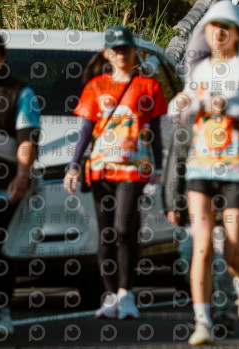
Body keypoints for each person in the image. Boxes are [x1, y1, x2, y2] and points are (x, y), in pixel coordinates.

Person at [166, 1, 239, 345]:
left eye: (225, 28)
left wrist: (235, 108)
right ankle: (202, 322)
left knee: (232, 249)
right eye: (212, 27)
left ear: (237, 33)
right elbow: (182, 108)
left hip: (238, 168)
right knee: (201, 246)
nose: (218, 34)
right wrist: (182, 105)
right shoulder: (199, 70)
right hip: (201, 166)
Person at [63, 25, 167, 320]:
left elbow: (155, 131)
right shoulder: (95, 87)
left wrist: (159, 167)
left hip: (134, 168)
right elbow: (85, 130)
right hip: (100, 168)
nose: (121, 55)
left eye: (126, 49)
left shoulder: (149, 87)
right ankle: (110, 295)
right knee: (107, 232)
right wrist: (74, 165)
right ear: (107, 54)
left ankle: (126, 292)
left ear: (134, 52)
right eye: (116, 50)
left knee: (124, 228)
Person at [0, 28, 41, 337]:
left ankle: (1, 313)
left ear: (1, 57)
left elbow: (27, 139)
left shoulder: (19, 92)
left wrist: (22, 175)